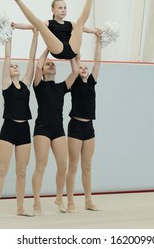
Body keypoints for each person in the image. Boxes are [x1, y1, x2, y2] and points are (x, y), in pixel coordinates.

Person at [0, 29, 38, 219]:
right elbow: (8, 55)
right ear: (8, 71)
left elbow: (32, 58)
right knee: (2, 169)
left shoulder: (26, 84)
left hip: (24, 129)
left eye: (17, 65)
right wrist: (8, 35)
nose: (15, 66)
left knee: (22, 171)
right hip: (8, 129)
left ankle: (20, 207)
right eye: (12, 66)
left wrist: (35, 35)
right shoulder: (6, 84)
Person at [31, 48, 79, 214]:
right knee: (41, 166)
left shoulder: (61, 87)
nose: (51, 65)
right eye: (48, 64)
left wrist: (70, 53)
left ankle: (59, 197)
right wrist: (48, 49)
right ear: (44, 70)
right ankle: (36, 201)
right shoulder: (38, 85)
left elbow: (75, 71)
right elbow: (37, 68)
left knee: (63, 165)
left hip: (58, 129)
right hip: (42, 129)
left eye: (53, 64)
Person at [5, 0, 99, 60]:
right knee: (39, 25)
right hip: (58, 49)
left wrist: (96, 31)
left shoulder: (70, 24)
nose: (63, 10)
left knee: (80, 23)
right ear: (53, 10)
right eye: (60, 8)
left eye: (65, 8)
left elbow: (84, 29)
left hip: (72, 50)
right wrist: (16, 25)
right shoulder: (49, 23)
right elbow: (31, 26)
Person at [66, 33, 101, 213]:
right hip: (75, 127)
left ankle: (88, 200)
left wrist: (99, 41)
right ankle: (70, 201)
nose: (84, 68)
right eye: (81, 67)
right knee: (73, 165)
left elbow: (97, 60)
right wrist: (74, 43)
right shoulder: (74, 83)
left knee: (87, 165)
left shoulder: (92, 82)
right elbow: (74, 60)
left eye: (85, 67)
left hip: (89, 127)